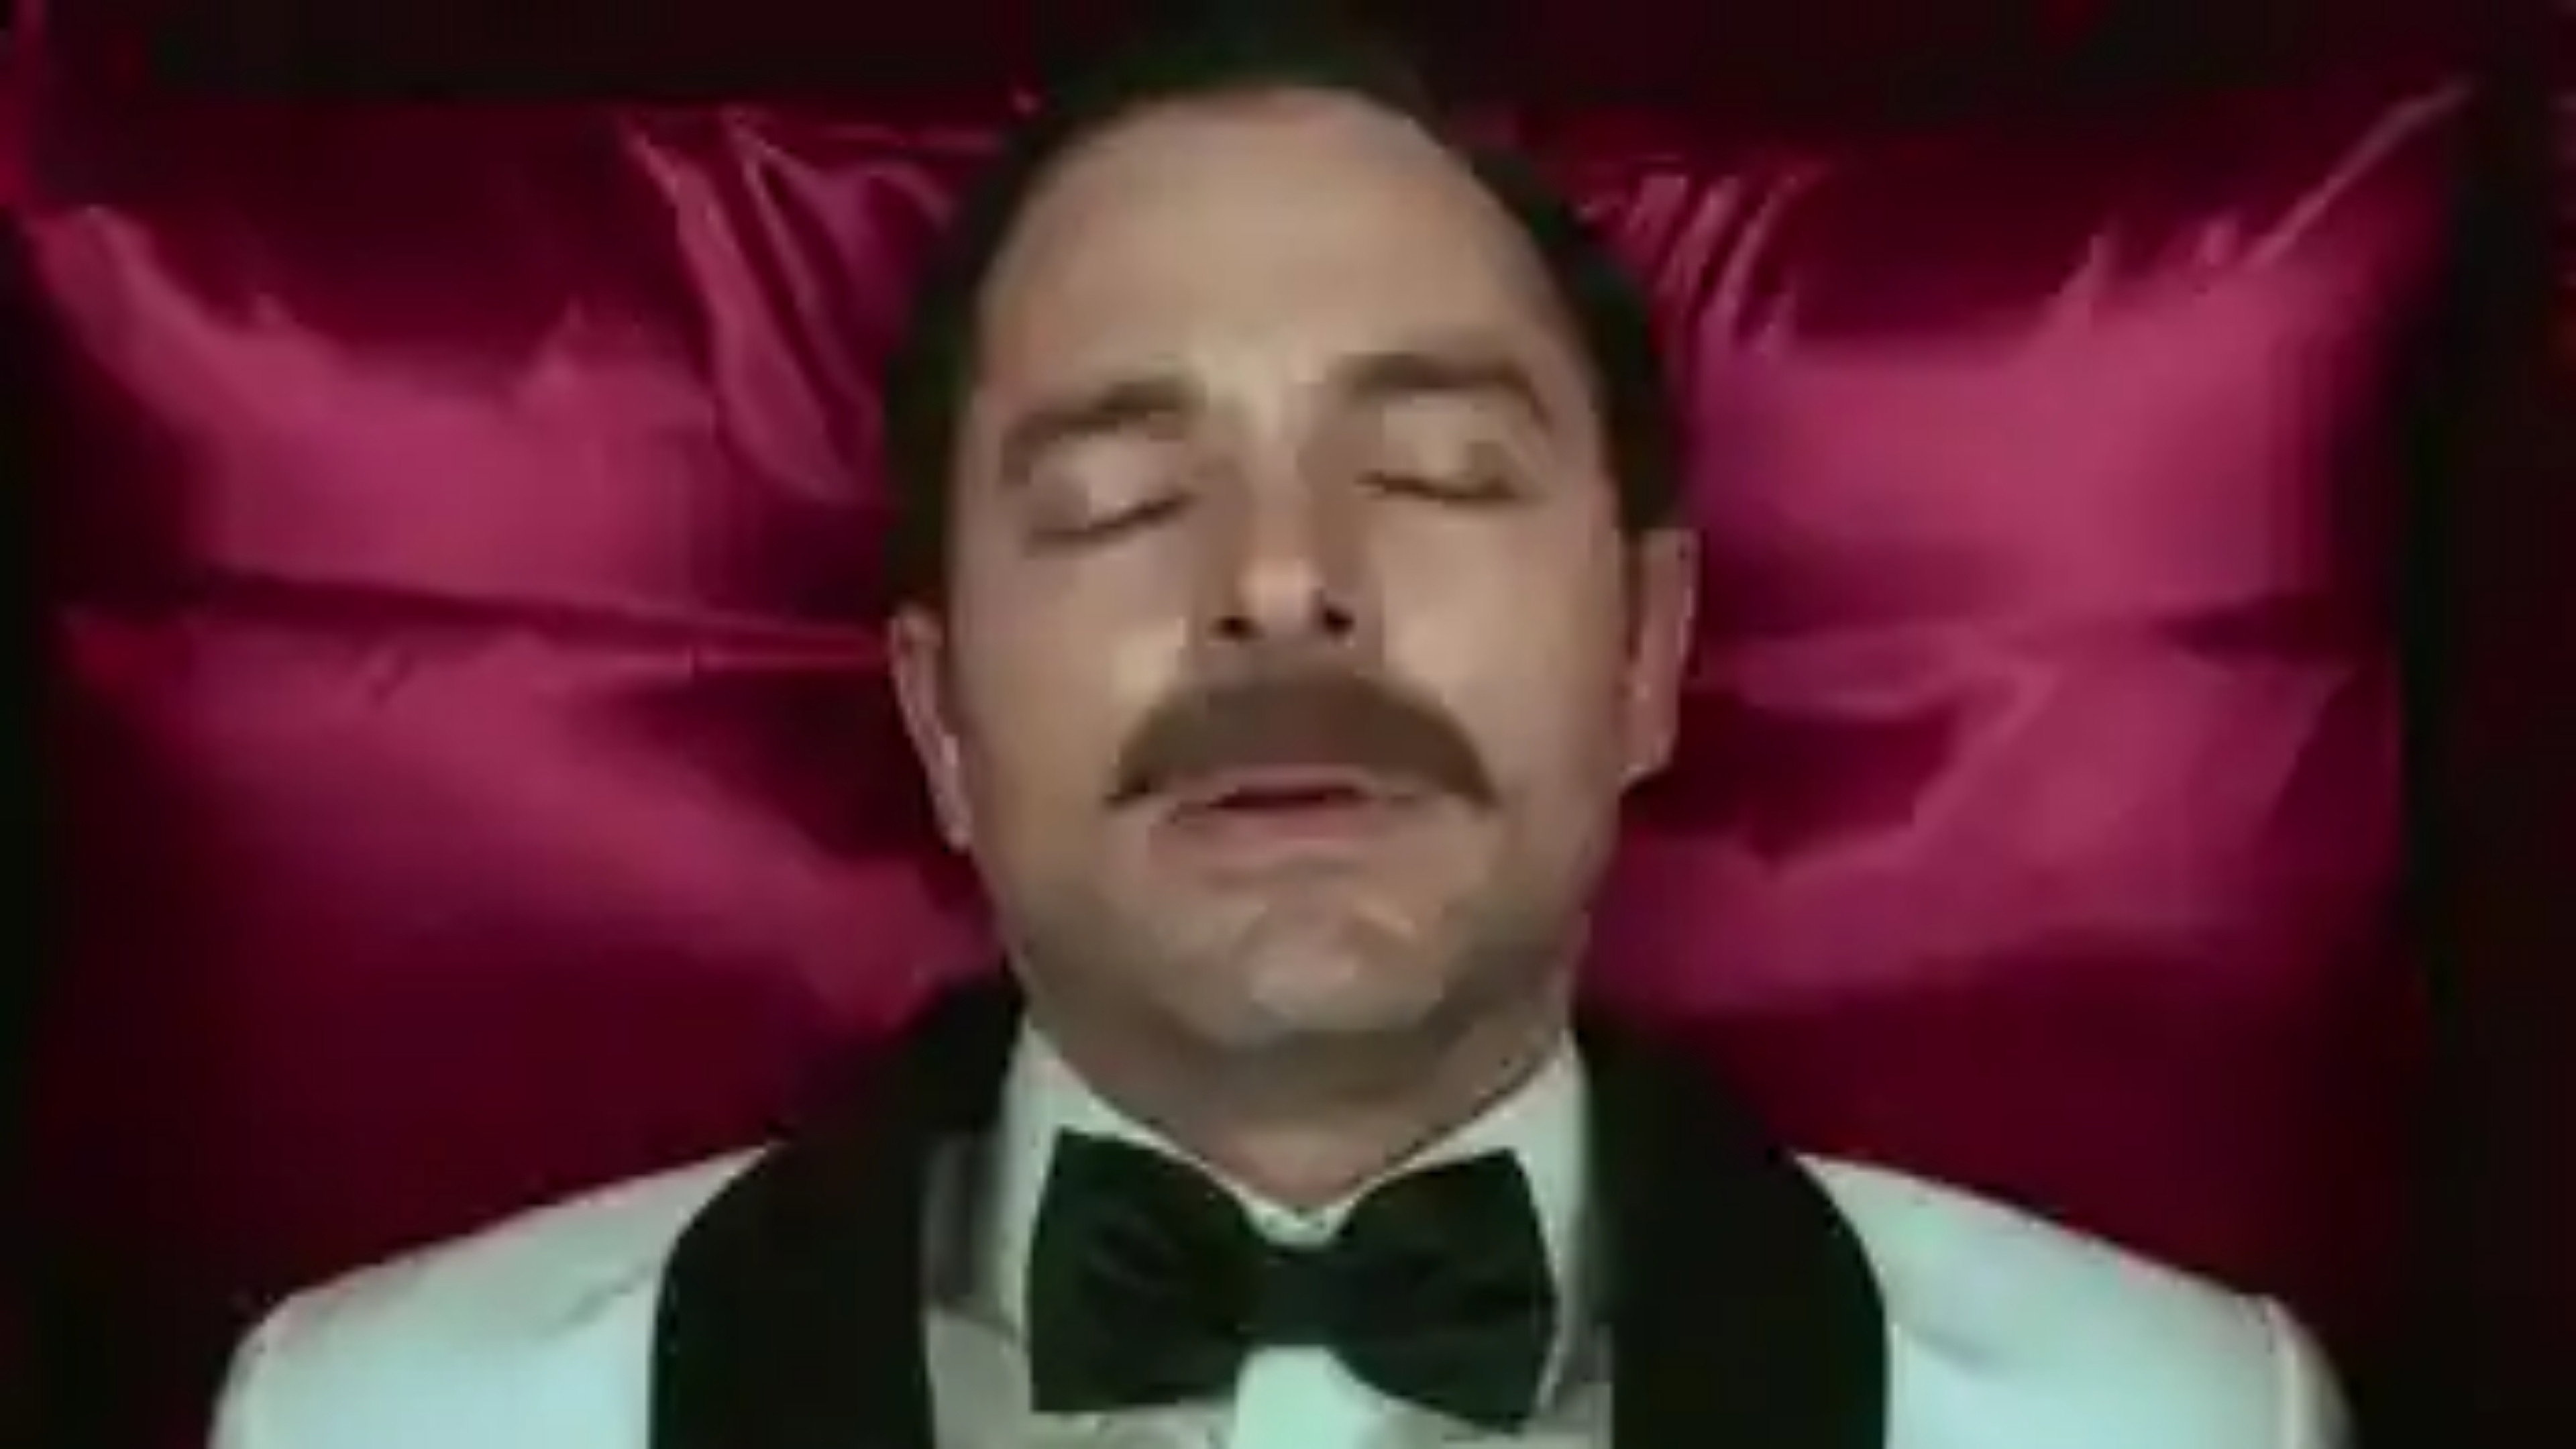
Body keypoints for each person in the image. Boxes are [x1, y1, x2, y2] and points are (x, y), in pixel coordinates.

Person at [211, 10, 2350, 1448]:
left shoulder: (2182, 1422)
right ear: (940, 721)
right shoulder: (372, 1424)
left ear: (1645, 652)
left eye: (1433, 469)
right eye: (1118, 496)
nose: (1282, 579)